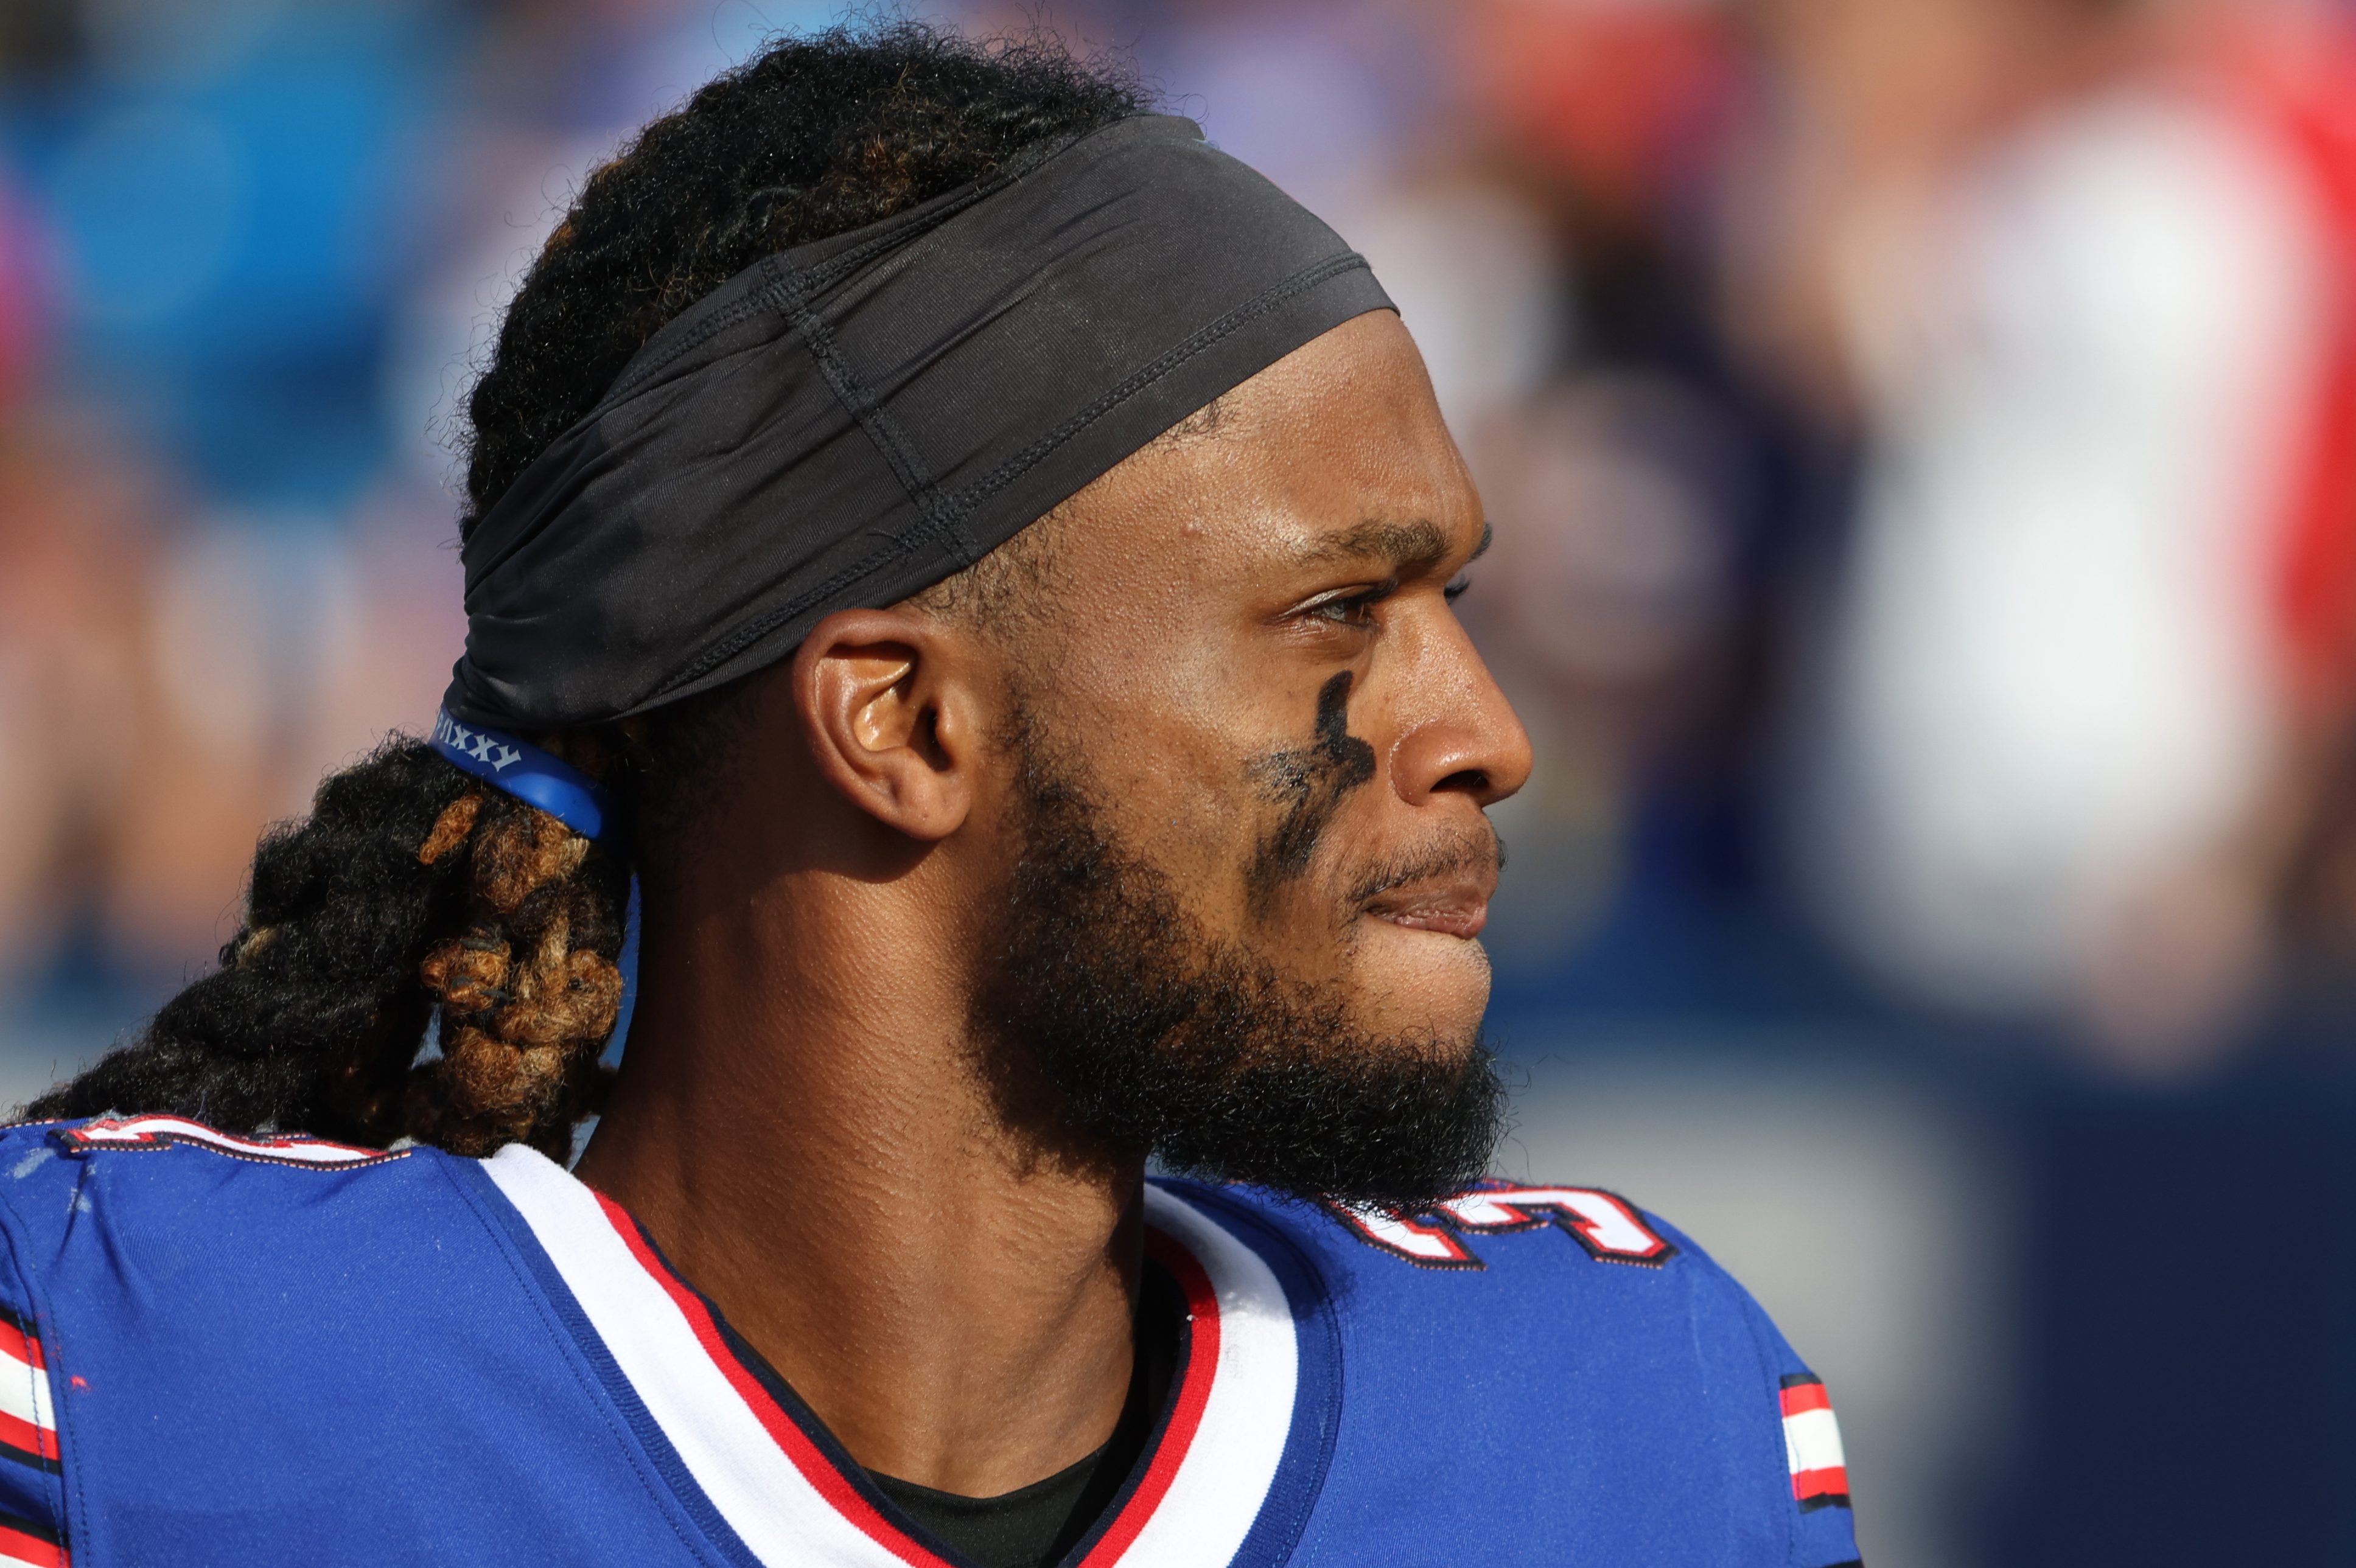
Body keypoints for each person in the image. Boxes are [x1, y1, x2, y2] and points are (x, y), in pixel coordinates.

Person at [1, 26, 1861, 1568]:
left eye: (1446, 601)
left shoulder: (1628, 1431)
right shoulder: (136, 1387)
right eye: (1336, 613)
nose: (1485, 729)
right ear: (898, 721)